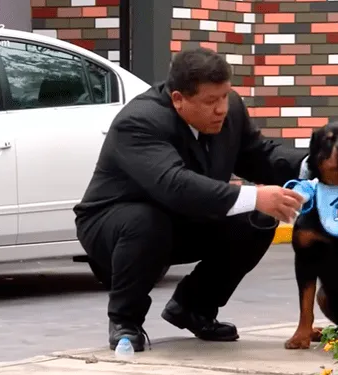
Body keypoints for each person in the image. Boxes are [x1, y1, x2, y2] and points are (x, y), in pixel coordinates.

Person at [73, 47, 310, 352]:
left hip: (184, 216)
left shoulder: (230, 108)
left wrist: (312, 163)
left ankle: (193, 308)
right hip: (113, 223)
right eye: (211, 101)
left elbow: (257, 155)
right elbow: (174, 184)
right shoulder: (140, 121)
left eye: (225, 96)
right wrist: (254, 195)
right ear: (178, 100)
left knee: (257, 218)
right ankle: (125, 321)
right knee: (145, 221)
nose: (222, 109)